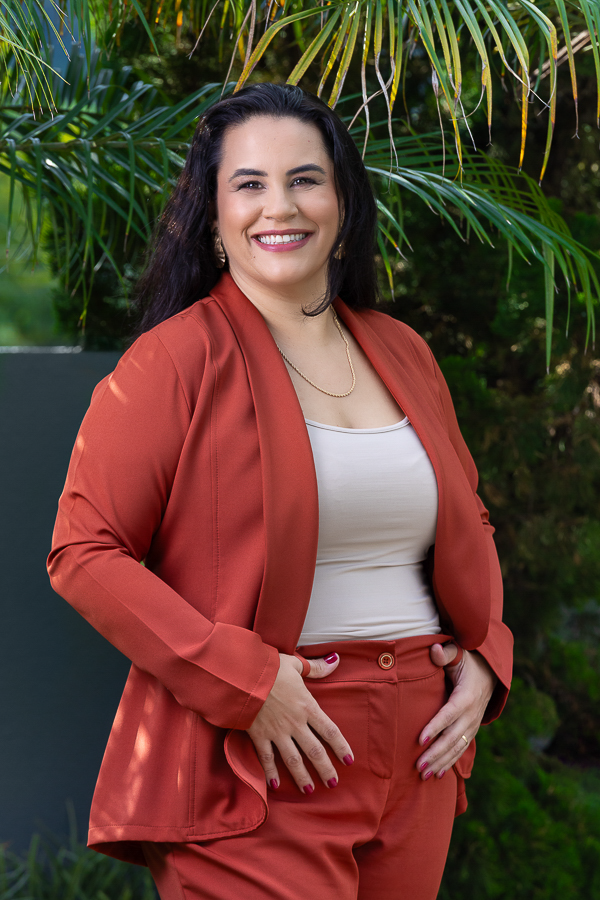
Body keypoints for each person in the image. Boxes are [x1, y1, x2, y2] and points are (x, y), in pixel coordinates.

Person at [48, 82, 513, 900]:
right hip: (259, 755)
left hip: (418, 753)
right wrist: (246, 683)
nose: (280, 206)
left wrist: (485, 658)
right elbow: (83, 554)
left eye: (304, 178)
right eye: (250, 184)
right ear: (214, 219)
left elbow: (465, 514)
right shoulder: (174, 361)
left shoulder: (401, 350)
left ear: (341, 201)